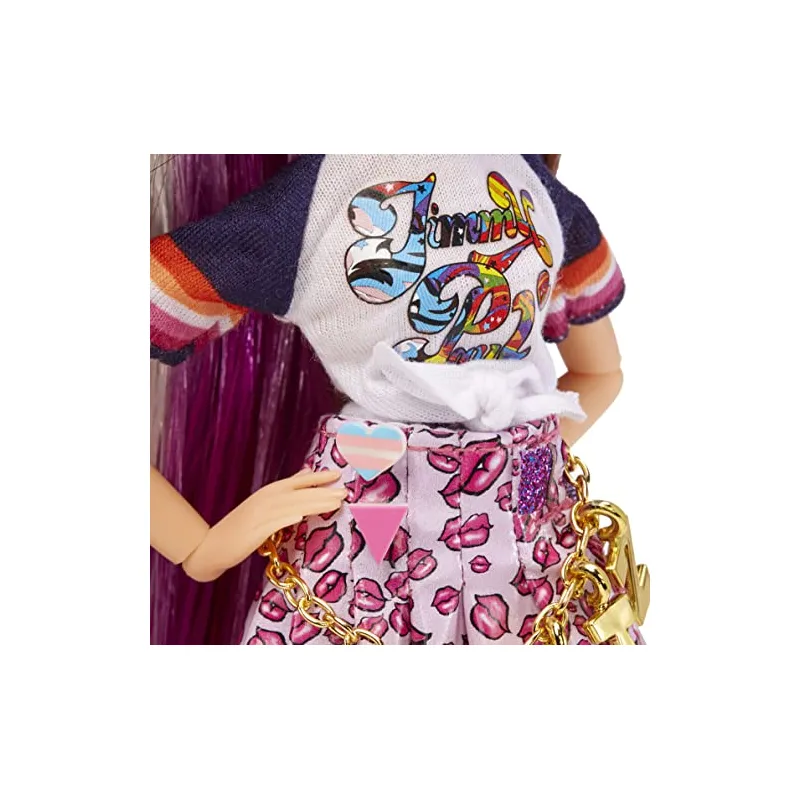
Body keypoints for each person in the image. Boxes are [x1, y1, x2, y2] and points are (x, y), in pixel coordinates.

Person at [150, 154, 635, 645]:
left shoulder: (529, 182)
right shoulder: (314, 198)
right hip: (367, 545)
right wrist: (201, 549)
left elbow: (602, 373)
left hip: (537, 546)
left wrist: (531, 462)